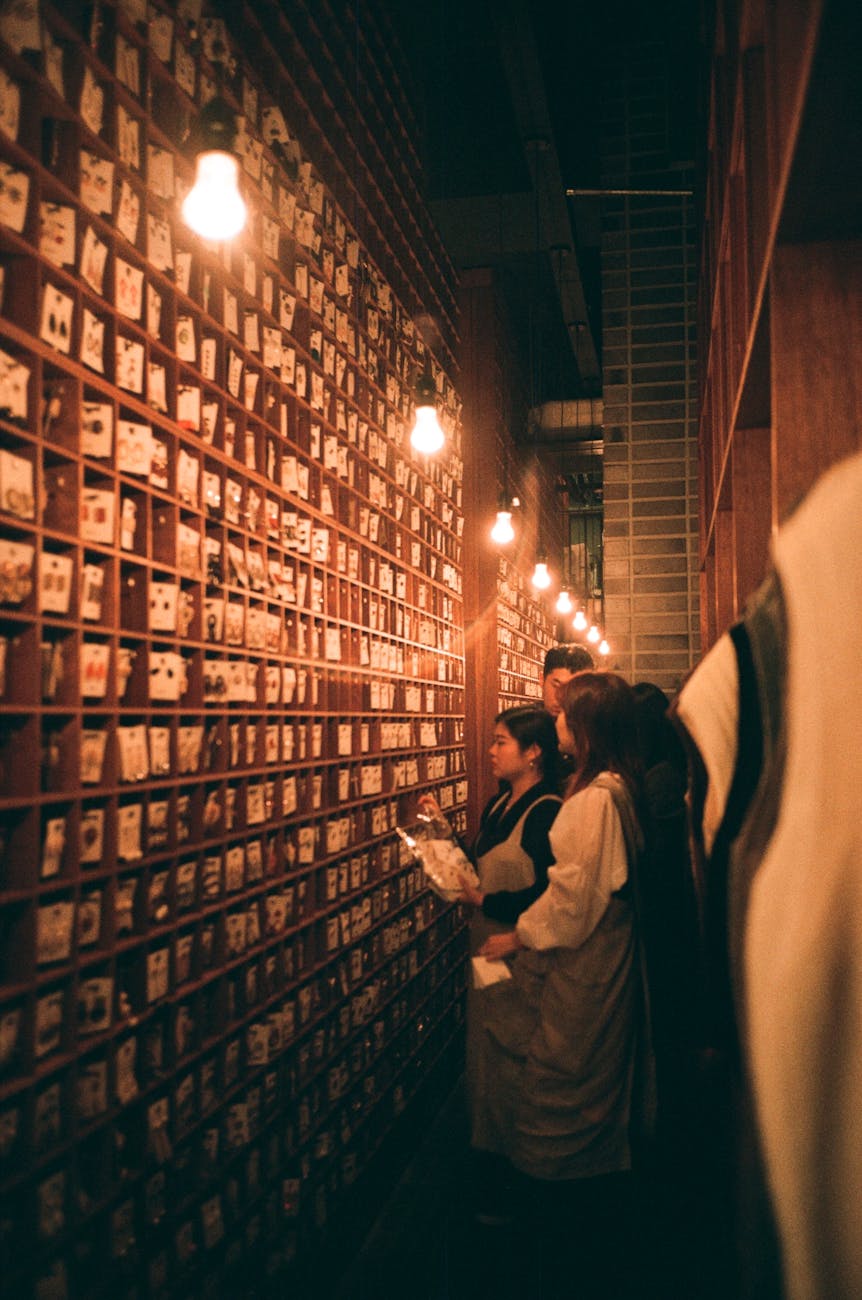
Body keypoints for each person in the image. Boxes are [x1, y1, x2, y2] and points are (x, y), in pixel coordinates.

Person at [477, 672, 652, 1296]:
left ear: (586, 725)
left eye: (564, 715)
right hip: (600, 956)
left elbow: (573, 901)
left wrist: (518, 935)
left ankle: (566, 1235)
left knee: (566, 1081)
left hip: (587, 964)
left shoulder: (596, 799)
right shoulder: (614, 789)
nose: (554, 722)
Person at [419, 705, 562, 1222]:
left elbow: (551, 892)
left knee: (517, 1052)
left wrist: (490, 906)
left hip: (519, 948)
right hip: (486, 948)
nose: (492, 750)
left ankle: (519, 1175)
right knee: (489, 1050)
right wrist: (440, 836)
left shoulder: (548, 809)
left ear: (533, 752)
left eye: (501, 741)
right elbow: (480, 870)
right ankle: (493, 1159)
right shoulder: (501, 804)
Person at [541, 643, 594, 718]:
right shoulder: (523, 723)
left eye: (572, 690)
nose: (561, 698)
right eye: (556, 686)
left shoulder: (598, 727)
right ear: (542, 680)